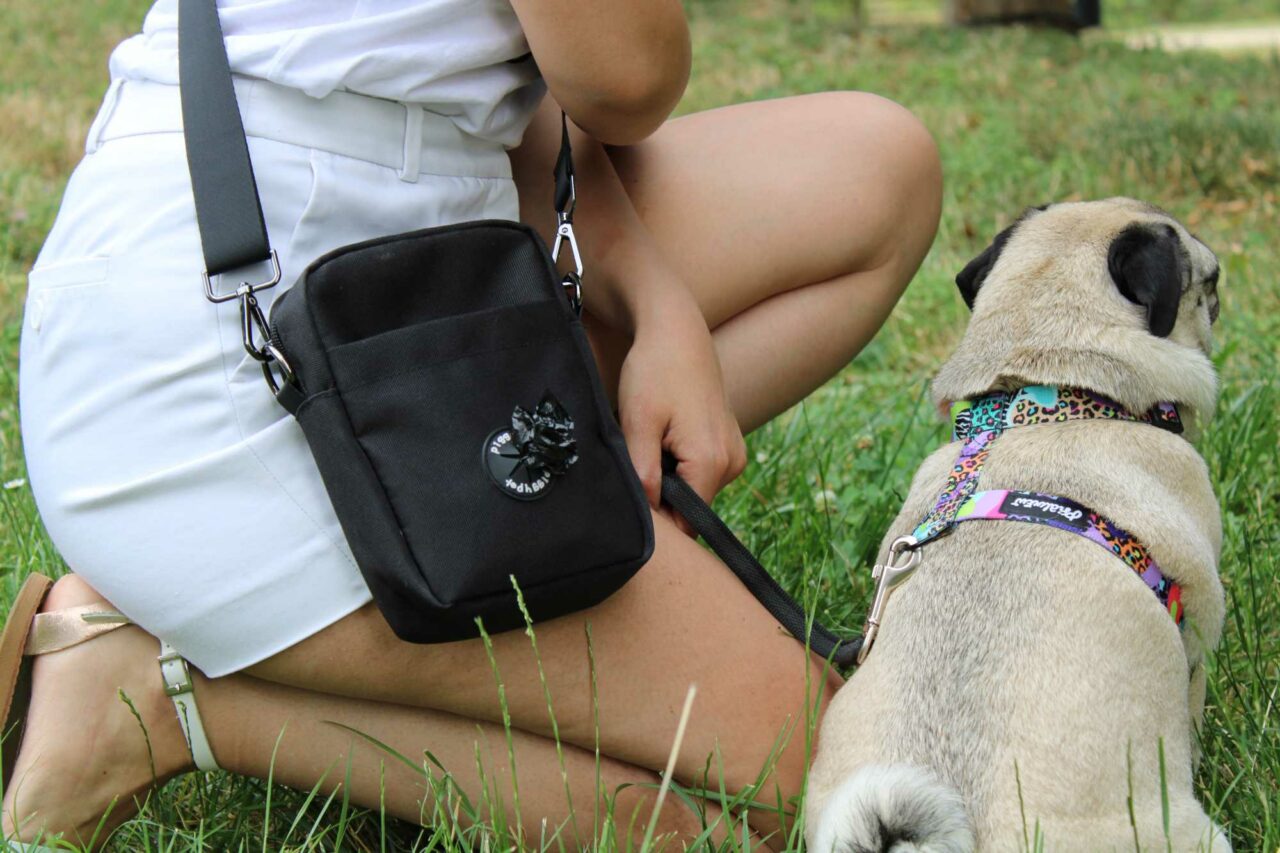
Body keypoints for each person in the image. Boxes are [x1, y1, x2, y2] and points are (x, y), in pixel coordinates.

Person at [1, 0, 942, 847]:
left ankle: (539, 499)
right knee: (814, 778)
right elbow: (625, 71)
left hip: (379, 242)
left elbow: (522, 89)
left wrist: (661, 310)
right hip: (224, 352)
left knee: (872, 167)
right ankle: (166, 698)